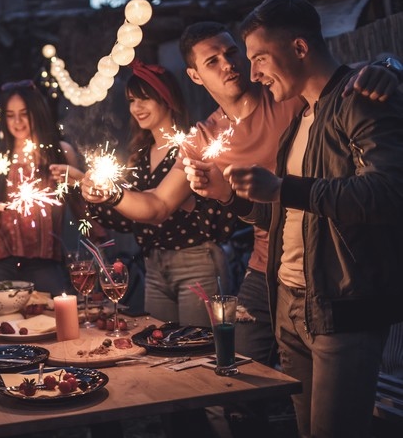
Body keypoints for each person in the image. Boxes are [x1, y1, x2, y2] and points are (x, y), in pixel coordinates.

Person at [82, 22, 400, 368]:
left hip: (328, 267)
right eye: (212, 61)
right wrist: (111, 194)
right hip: (265, 268)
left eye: (231, 53)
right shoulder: (202, 139)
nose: (228, 65)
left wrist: (388, 66)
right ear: (195, 76)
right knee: (233, 368)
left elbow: (348, 74)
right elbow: (157, 206)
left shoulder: (288, 96)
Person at [219, 0, 403, 438]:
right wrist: (232, 198)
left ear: (299, 48)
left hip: (342, 306)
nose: (254, 73)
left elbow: (390, 192)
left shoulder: (360, 98)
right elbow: (293, 216)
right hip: (291, 304)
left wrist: (284, 188)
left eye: (260, 58)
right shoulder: (300, 120)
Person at [52, 60, 235, 326]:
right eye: (131, 100)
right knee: (160, 352)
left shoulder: (189, 148)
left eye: (145, 99)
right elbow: (126, 219)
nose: (136, 108)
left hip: (195, 262)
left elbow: (155, 209)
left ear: (167, 99)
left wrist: (111, 192)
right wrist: (85, 184)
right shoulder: (139, 156)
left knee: (199, 349)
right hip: (153, 266)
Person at [0, 80, 85, 297]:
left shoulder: (60, 152)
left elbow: (81, 206)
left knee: (55, 318)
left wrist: (97, 239)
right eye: (10, 114)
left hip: (44, 261)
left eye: (24, 113)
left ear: (37, 112)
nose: (17, 121)